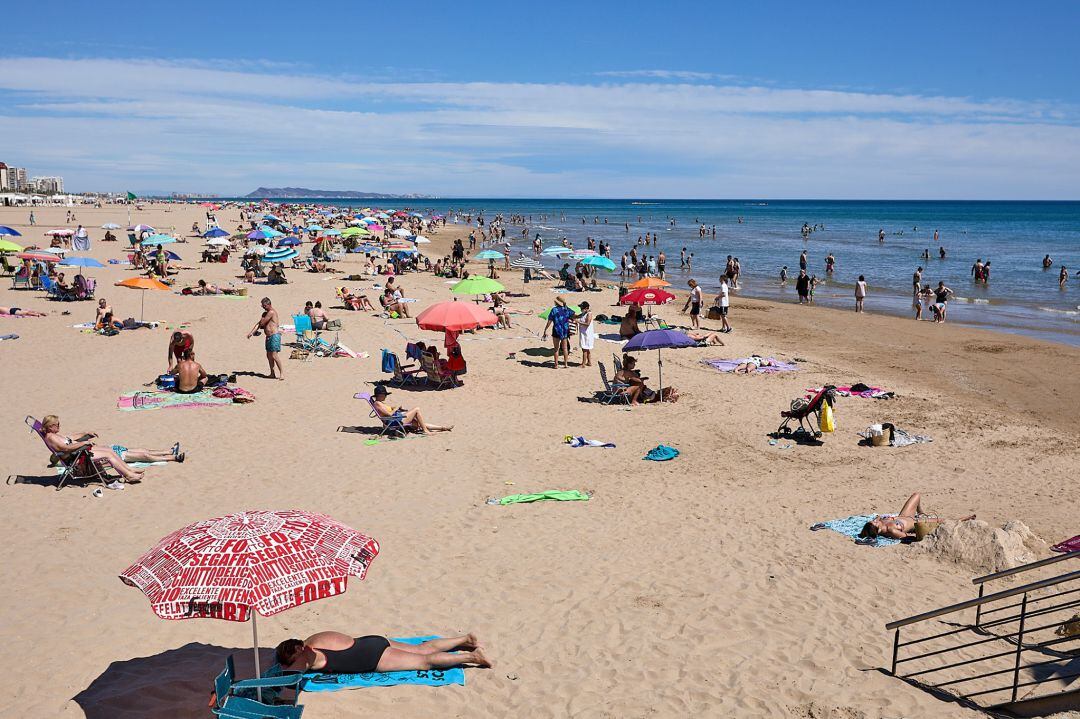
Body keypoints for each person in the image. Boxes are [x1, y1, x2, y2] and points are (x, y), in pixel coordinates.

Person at [40, 414, 184, 487]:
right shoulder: (51, 438)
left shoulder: (54, 435)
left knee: (110, 451)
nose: (59, 425)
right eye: (56, 424)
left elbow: (70, 438)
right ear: (50, 426)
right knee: (110, 454)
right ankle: (129, 476)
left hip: (80, 452)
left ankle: (129, 471)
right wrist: (83, 443)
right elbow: (65, 448)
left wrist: (84, 433)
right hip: (78, 458)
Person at [276, 630, 487, 676]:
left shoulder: (306, 655)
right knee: (420, 648)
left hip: (372, 658)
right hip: (370, 641)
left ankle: (471, 657)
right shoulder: (314, 638)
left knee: (425, 662)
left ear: (297, 650)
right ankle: (466, 639)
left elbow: (292, 676)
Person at [859, 493, 975, 541]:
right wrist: (919, 530)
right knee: (945, 521)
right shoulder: (891, 530)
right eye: (873, 522)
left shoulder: (881, 523)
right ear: (876, 528)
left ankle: (920, 511)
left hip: (904, 515)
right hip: (917, 522)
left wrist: (879, 519)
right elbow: (907, 537)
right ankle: (966, 519)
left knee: (916, 495)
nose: (874, 520)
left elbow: (878, 517)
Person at [370, 385, 453, 434]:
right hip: (394, 422)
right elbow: (390, 414)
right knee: (416, 409)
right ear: (380, 395)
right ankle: (425, 430)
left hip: (396, 419)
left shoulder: (380, 402)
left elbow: (390, 409)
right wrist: (396, 409)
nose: (386, 396)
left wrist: (396, 407)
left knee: (419, 423)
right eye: (385, 394)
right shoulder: (377, 404)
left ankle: (442, 428)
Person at [614, 354, 678, 404]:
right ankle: (634, 401)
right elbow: (638, 380)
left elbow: (634, 378)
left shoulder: (624, 371)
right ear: (628, 364)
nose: (634, 365)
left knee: (638, 384)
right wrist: (643, 378)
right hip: (620, 391)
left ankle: (643, 397)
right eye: (633, 364)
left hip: (618, 389)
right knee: (639, 384)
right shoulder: (627, 372)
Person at [247, 297, 283, 380]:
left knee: (274, 355)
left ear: (269, 304)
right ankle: (272, 373)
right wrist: (251, 333)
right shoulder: (265, 314)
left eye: (264, 305)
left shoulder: (271, 312)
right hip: (268, 336)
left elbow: (262, 323)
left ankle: (282, 373)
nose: (263, 307)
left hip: (274, 335)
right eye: (262, 305)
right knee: (269, 355)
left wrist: (262, 319)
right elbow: (259, 324)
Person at [542, 296, 575, 369]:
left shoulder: (554, 310)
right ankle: (566, 364)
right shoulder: (567, 309)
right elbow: (574, 316)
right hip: (565, 331)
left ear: (556, 302)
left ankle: (556, 365)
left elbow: (549, 321)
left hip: (556, 330)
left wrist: (545, 330)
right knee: (565, 348)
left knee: (556, 349)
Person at [576, 300, 595, 367]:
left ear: (586, 308)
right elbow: (577, 316)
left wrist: (578, 322)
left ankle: (583, 364)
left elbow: (587, 323)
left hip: (587, 335)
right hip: (584, 333)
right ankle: (589, 362)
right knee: (587, 349)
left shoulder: (589, 314)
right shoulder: (584, 313)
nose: (581, 309)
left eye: (582, 308)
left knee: (584, 349)